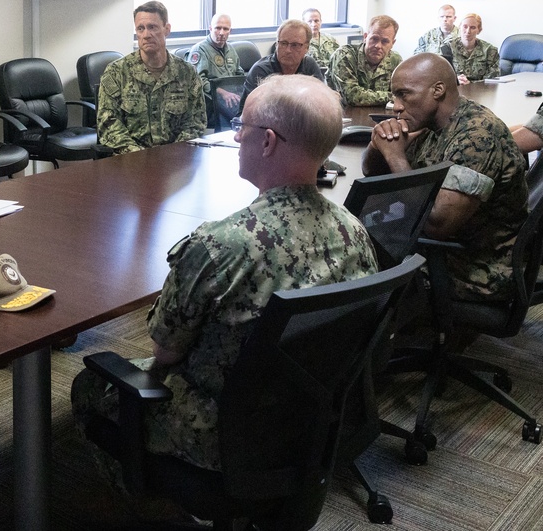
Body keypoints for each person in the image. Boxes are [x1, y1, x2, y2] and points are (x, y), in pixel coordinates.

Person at [72, 74, 378, 475]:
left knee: (88, 383)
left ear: (267, 142)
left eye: (242, 128)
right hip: (313, 413)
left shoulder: (221, 246)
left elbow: (166, 351)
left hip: (221, 431)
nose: (236, 138)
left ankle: (149, 502)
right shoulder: (354, 230)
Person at [362, 53, 527, 302]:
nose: (396, 105)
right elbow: (372, 172)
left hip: (476, 266)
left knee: (353, 265)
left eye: (404, 94)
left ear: (437, 90)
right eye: (394, 96)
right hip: (439, 247)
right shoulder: (431, 124)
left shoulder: (477, 134)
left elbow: (438, 225)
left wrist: (396, 157)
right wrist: (379, 146)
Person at [97, 1, 206, 155]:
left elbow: (196, 122)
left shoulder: (187, 73)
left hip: (176, 160)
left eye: (152, 27)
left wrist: (173, 154)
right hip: (130, 160)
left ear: (166, 29)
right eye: (140, 29)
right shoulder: (117, 72)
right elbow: (108, 123)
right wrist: (138, 155)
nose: (146, 35)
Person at [240, 19, 324, 110]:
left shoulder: (309, 65)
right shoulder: (261, 70)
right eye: (283, 43)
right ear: (276, 44)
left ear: (306, 48)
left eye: (295, 45)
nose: (288, 50)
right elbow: (249, 112)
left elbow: (321, 101)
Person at [328, 14, 403, 107]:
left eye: (385, 41)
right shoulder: (345, 55)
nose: (378, 46)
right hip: (344, 116)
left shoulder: (395, 60)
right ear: (365, 37)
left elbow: (402, 93)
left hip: (382, 116)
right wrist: (391, 97)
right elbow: (352, 97)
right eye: (374, 39)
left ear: (392, 43)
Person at [187, 13, 244, 124]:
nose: (221, 33)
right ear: (210, 28)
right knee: (241, 118)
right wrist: (223, 93)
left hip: (232, 98)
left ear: (230, 31)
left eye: (225, 29)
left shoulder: (231, 50)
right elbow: (198, 81)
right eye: (218, 28)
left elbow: (240, 74)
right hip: (212, 101)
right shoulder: (199, 50)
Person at [440, 13, 500, 84]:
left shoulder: (490, 50)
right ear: (460, 27)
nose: (468, 31)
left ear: (479, 30)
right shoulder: (447, 47)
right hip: (455, 90)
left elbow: (493, 80)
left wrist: (470, 83)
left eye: (473, 27)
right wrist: (456, 80)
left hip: (481, 92)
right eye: (465, 27)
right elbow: (441, 75)